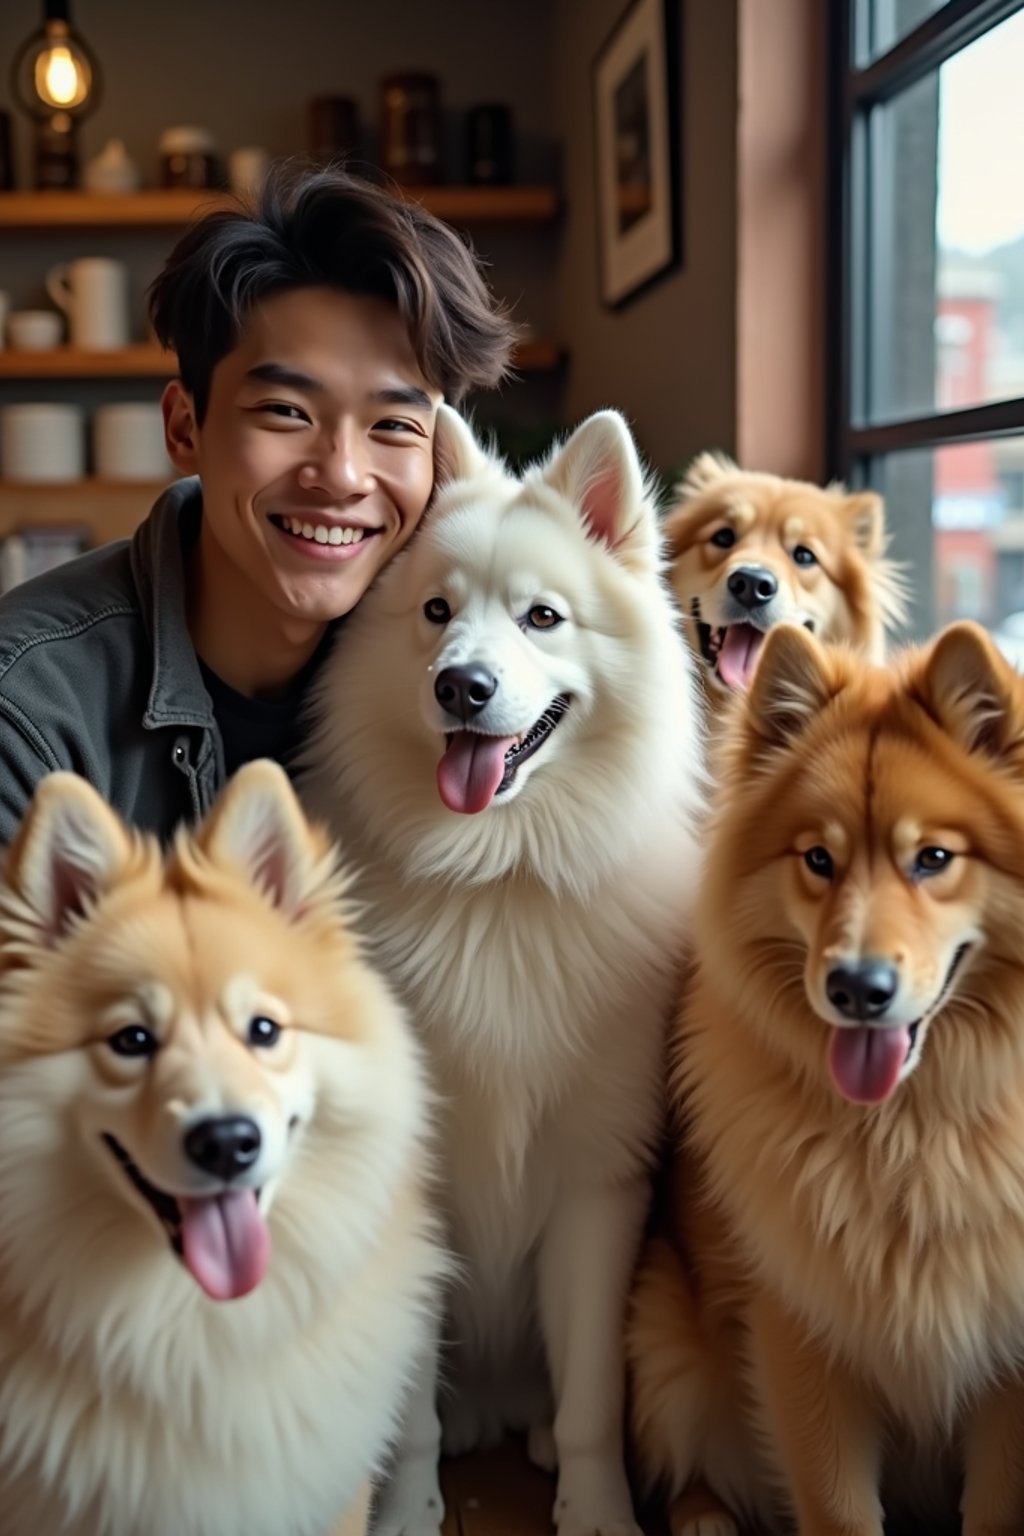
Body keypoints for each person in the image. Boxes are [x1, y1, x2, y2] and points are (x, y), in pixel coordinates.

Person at [0, 166, 515, 845]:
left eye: (393, 425)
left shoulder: (455, 661)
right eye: (285, 411)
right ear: (186, 428)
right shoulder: (28, 709)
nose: (341, 475)